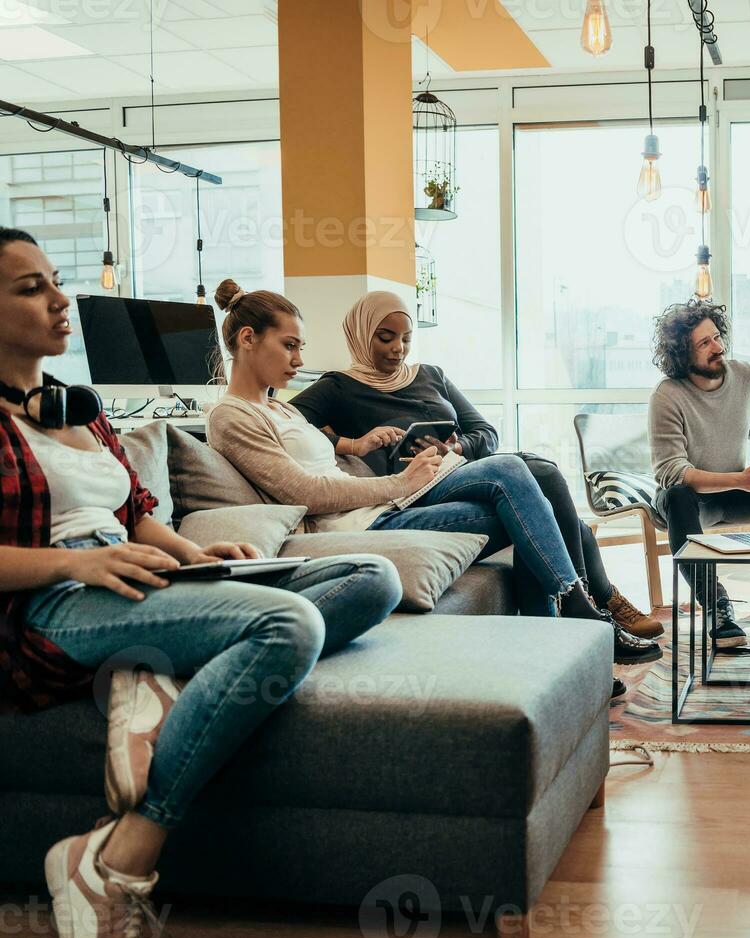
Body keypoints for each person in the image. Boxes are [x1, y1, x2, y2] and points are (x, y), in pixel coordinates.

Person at [0, 228, 403, 938]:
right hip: (56, 605)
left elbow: (137, 510)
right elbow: (89, 547)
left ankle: (156, 681)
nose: (61, 299)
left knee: (371, 578)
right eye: (30, 288)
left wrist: (194, 554)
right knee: (290, 624)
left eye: (55, 279)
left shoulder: (77, 408)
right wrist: (77, 561)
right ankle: (115, 859)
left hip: (143, 581)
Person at [204, 281, 657, 684]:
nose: (299, 359)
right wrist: (398, 482)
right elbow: (305, 492)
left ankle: (559, 653)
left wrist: (357, 447)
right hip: (361, 528)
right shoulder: (233, 416)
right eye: (290, 346)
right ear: (248, 339)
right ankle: (578, 612)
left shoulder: (280, 409)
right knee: (512, 473)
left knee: (527, 511)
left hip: (383, 508)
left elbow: (322, 460)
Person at [287, 291, 662, 640]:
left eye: (405, 338)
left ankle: (563, 630)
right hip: (410, 489)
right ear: (360, 334)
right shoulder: (338, 387)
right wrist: (354, 443)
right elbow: (285, 422)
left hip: (457, 471)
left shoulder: (430, 375)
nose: (397, 349)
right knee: (540, 476)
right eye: (385, 337)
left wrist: (457, 445)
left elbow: (484, 431)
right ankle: (592, 603)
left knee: (541, 503)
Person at [648, 300, 750, 648]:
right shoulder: (668, 396)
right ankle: (716, 605)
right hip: (691, 501)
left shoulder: (746, 376)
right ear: (682, 354)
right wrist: (740, 480)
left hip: (737, 495)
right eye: (704, 343)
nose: (717, 347)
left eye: (717, 337)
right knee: (676, 496)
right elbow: (671, 470)